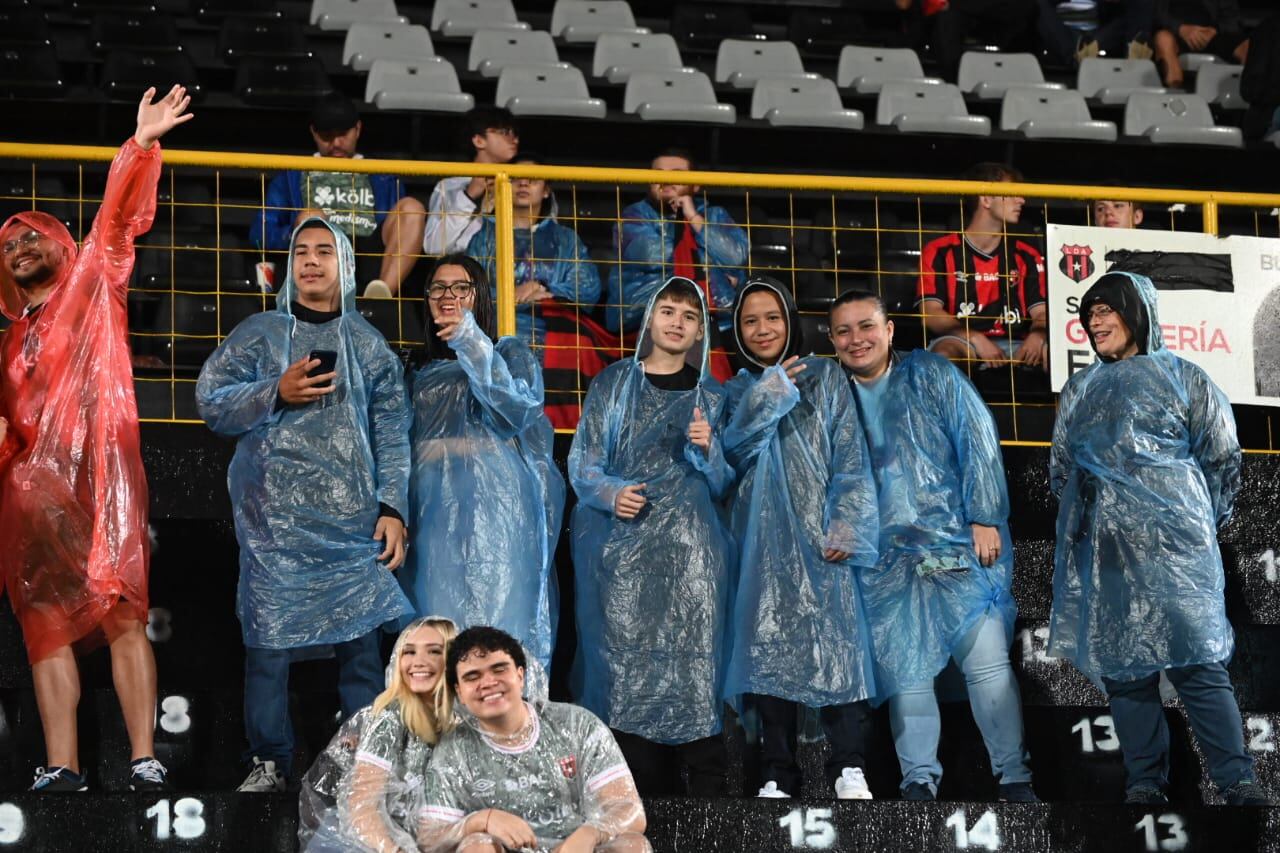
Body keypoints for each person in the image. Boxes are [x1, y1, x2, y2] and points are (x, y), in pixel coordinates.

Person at [0, 85, 192, 793]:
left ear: (58, 243)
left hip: (101, 486)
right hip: (31, 510)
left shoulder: (93, 280)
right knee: (45, 635)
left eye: (30, 235)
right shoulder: (3, 347)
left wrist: (138, 145)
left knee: (122, 617)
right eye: (7, 243)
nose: (18, 245)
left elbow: (115, 220)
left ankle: (143, 756)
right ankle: (62, 767)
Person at [196, 217, 414, 792]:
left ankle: (363, 764)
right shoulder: (259, 333)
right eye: (301, 252)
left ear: (346, 265)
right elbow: (212, 400)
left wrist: (392, 506)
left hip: (350, 522)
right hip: (275, 524)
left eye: (325, 251)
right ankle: (270, 760)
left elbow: (392, 431)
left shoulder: (367, 344)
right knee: (268, 646)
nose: (311, 261)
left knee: (360, 647)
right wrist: (275, 391)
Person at [1048, 271, 1275, 807]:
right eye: (1090, 315)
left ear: (1137, 311)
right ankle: (1145, 783)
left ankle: (1236, 781)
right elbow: (1062, 466)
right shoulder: (1079, 389)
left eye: (1107, 310)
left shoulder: (1185, 377)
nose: (1096, 322)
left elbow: (1221, 455)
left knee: (1197, 664)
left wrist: (1194, 521)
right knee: (1127, 672)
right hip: (1107, 552)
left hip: (1177, 551)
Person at [830, 289, 1036, 803]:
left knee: (986, 662)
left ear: (890, 329)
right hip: (885, 561)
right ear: (832, 341)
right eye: (844, 331)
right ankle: (918, 778)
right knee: (908, 671)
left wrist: (985, 515)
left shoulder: (933, 375)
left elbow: (976, 437)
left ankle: (1014, 778)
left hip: (951, 548)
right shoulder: (834, 397)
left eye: (866, 326)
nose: (857, 339)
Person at [569, 277, 735, 797]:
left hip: (693, 557)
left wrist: (709, 451)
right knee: (625, 671)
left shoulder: (712, 395)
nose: (677, 322)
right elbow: (584, 460)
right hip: (625, 557)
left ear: (700, 331)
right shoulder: (615, 383)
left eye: (690, 316)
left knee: (695, 674)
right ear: (650, 318)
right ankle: (636, 809)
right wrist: (610, 492)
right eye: (668, 310)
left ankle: (708, 817)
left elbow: (724, 482)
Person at [720, 277, 880, 800]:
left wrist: (849, 521)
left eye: (772, 317)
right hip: (761, 547)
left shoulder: (827, 376)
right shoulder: (736, 389)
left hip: (823, 539)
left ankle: (848, 767)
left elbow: (850, 453)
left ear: (791, 321)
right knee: (768, 656)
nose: (763, 329)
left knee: (841, 648)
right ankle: (776, 772)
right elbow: (730, 458)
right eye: (750, 320)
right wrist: (766, 396)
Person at [399, 253, 565, 672]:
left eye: (461, 287)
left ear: (480, 296)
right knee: (437, 643)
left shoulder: (509, 354)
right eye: (438, 287)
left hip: (500, 528)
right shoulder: (412, 367)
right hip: (431, 524)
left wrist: (470, 340)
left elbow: (515, 410)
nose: (448, 296)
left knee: (498, 643)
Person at [418, 626, 650, 853]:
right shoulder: (453, 751)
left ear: (520, 675)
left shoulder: (577, 726)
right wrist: (481, 820)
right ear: (459, 692)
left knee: (632, 845)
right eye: (472, 676)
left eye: (499, 669)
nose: (488, 682)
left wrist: (590, 834)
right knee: (476, 846)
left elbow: (629, 810)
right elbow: (431, 838)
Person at [299, 616, 458, 852]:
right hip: (370, 842)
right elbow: (362, 806)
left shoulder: (465, 719)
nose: (418, 662)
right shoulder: (388, 718)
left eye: (433, 651)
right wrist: (397, 851)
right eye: (409, 652)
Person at [249, 92, 425, 298]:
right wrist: (296, 230)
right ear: (314, 133)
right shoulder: (292, 174)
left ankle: (381, 295)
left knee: (412, 208)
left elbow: (399, 231)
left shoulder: (382, 176)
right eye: (327, 136)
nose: (336, 143)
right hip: (318, 253)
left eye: (343, 134)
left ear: (357, 129)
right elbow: (260, 233)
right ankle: (320, 297)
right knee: (310, 217)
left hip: (370, 252)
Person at [917, 162, 1048, 373]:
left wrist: (1038, 335)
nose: (1021, 200)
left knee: (1056, 354)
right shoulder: (939, 251)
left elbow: (1041, 312)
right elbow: (929, 312)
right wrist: (975, 337)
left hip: (1018, 343)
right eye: (1012, 193)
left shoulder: (1027, 254)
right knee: (943, 355)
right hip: (962, 340)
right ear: (986, 199)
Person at [604, 148, 747, 339]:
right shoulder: (634, 216)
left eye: (677, 175)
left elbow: (736, 255)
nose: (666, 180)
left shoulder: (714, 214)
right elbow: (653, 257)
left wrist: (692, 217)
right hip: (645, 321)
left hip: (717, 324)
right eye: (658, 174)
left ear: (695, 185)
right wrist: (717, 270)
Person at [465, 153, 601, 347]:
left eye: (533, 179)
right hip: (494, 334)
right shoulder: (483, 238)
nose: (523, 184)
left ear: (546, 191)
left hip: (558, 334)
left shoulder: (566, 239)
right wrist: (512, 293)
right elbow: (470, 291)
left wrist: (543, 288)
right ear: (502, 186)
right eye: (515, 178)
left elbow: (588, 289)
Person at [422, 107, 519, 258]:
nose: (514, 140)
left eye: (514, 133)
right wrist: (469, 196)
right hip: (461, 274)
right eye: (504, 132)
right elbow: (433, 247)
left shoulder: (524, 185)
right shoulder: (449, 187)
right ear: (479, 140)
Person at [1153, 0, 1249, 88]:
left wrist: (1215, 30)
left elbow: (1233, 19)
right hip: (1175, 33)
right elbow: (1154, 13)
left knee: (1248, 46)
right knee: (1164, 39)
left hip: (1211, 35)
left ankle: (1250, 100)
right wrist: (1180, 28)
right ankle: (1175, 95)